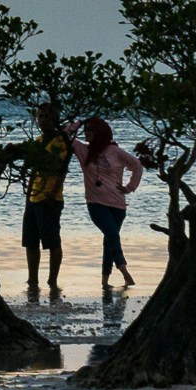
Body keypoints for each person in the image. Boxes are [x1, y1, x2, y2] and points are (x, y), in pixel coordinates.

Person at [76, 117, 145, 292]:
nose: (87, 133)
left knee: (109, 240)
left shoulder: (115, 151)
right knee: (112, 234)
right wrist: (78, 122)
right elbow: (65, 135)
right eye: (86, 130)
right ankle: (124, 270)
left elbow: (137, 166)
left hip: (118, 205)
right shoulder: (83, 150)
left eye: (91, 129)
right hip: (96, 203)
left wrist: (129, 188)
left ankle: (104, 280)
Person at [17, 103, 73, 300]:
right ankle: (32, 279)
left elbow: (61, 170)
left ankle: (52, 280)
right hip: (33, 196)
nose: (42, 120)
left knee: (51, 240)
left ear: (55, 119)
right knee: (30, 241)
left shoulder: (60, 142)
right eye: (40, 117)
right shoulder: (39, 141)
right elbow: (33, 170)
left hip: (50, 198)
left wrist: (52, 192)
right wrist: (27, 195)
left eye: (47, 117)